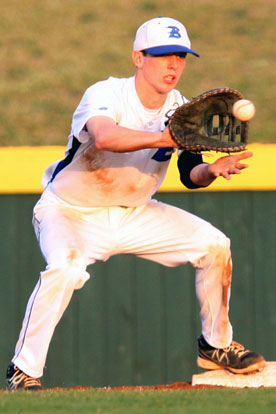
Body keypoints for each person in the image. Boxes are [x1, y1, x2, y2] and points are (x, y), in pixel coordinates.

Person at [6, 16, 265, 391]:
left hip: (135, 212)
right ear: (138, 57)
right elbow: (105, 137)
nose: (173, 65)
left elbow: (189, 172)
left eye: (180, 56)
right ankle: (23, 371)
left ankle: (216, 345)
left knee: (215, 246)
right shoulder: (106, 94)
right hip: (70, 211)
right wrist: (164, 138)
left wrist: (212, 168)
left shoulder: (179, 107)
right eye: (162, 55)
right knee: (64, 268)